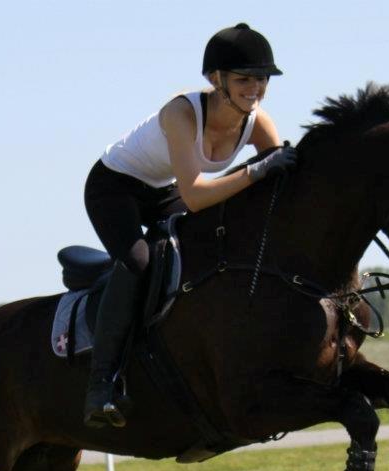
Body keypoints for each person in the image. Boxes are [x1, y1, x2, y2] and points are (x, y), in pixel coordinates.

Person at [82, 22, 298, 429]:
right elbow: (198, 196)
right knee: (139, 262)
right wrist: (257, 172)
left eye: (261, 79)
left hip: (163, 189)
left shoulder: (259, 123)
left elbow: (279, 186)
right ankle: (102, 383)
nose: (255, 88)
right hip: (114, 188)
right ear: (217, 80)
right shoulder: (181, 113)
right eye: (244, 79)